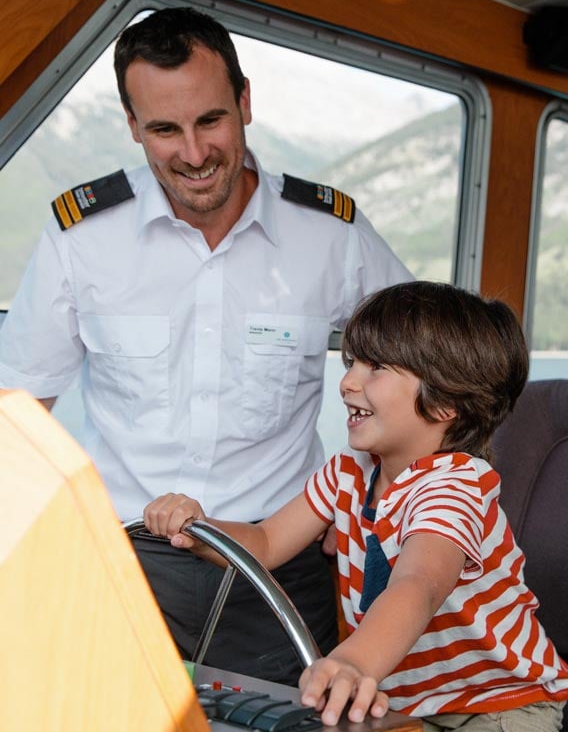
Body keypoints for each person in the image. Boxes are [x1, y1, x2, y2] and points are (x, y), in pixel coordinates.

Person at [0, 6, 412, 683]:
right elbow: (17, 414)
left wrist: (372, 503)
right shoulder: (81, 235)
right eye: (164, 129)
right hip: (124, 562)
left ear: (245, 102)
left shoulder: (330, 233)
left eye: (210, 120)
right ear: (133, 127)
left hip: (276, 562)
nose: (193, 154)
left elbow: (425, 369)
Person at [143, 281, 568, 731]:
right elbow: (265, 542)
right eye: (352, 363)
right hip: (406, 704)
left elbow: (418, 583)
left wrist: (350, 661)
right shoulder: (349, 470)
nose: (347, 382)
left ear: (445, 402)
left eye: (376, 367)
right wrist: (198, 528)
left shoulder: (456, 485)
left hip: (501, 704)